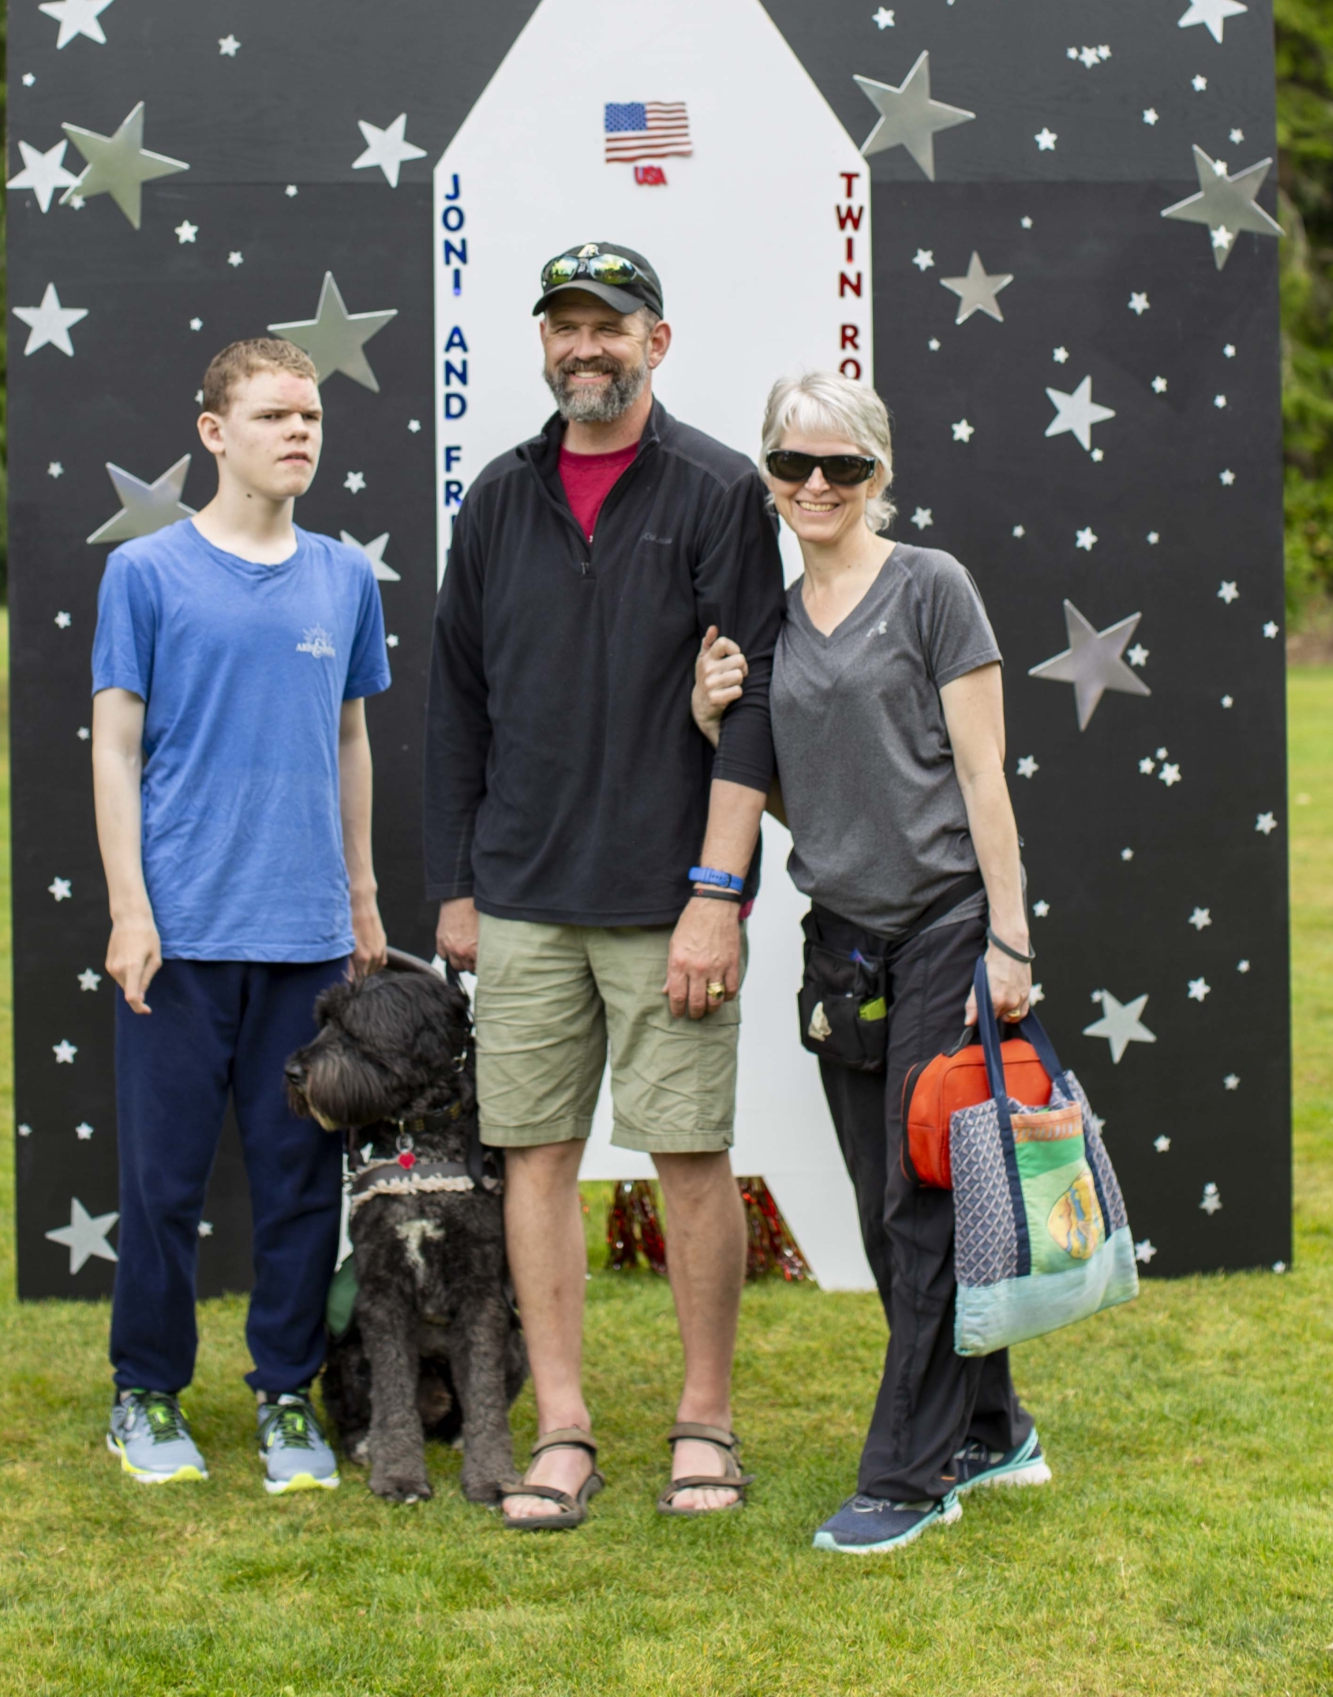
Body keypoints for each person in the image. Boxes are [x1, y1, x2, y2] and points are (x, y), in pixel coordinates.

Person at [425, 242, 783, 1529]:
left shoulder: (719, 492)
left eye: (611, 326)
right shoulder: (500, 499)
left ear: (657, 342)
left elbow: (754, 710)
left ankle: (705, 1420)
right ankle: (563, 1428)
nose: (588, 345)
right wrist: (454, 882)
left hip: (663, 899)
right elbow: (454, 702)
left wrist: (716, 890)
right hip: (519, 898)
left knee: (690, 1156)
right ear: (543, 343)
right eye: (566, 325)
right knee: (535, 1158)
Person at [692, 370, 1046, 1557]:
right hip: (840, 945)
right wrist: (716, 730)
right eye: (793, 465)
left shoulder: (932, 587)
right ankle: (994, 1427)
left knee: (921, 1202)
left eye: (841, 466)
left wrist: (1010, 938)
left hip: (948, 927)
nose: (815, 485)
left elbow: (982, 774)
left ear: (879, 476)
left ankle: (908, 1472)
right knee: (885, 1206)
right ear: (770, 476)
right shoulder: (777, 625)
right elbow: (818, 802)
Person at [90, 335, 390, 1492]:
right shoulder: (148, 574)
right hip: (180, 937)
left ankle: (284, 1397)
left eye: (310, 416)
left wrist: (361, 899)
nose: (299, 433)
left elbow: (351, 737)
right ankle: (145, 1392)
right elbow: (116, 750)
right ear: (215, 432)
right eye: (274, 416)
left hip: (307, 939)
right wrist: (129, 907)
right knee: (163, 1183)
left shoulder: (344, 577)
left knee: (300, 1185)